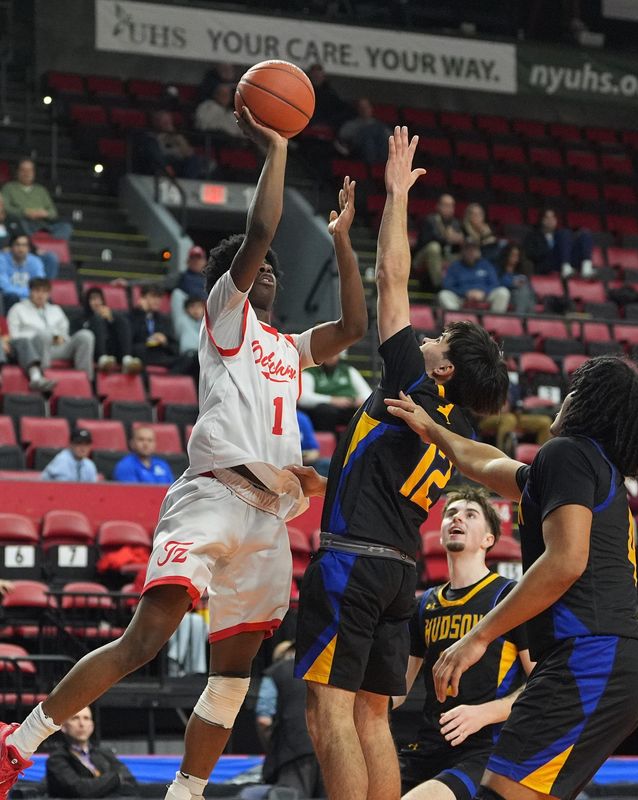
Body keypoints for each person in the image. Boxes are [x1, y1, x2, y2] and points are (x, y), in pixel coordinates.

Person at [0, 104, 368, 800]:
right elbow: (258, 231)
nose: (268, 278)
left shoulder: (288, 350)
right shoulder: (225, 321)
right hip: (212, 497)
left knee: (231, 678)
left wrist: (344, 239)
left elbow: (352, 325)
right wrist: (277, 148)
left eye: (271, 277)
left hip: (269, 523)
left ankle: (186, 793)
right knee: (146, 640)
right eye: (257, 273)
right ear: (230, 283)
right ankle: (18, 743)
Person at [290, 127, 508, 800]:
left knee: (326, 709)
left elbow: (392, 277)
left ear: (441, 370)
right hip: (397, 572)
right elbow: (390, 477)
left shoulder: (417, 386)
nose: (424, 336)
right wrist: (330, 484)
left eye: (435, 339)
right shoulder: (459, 430)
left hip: (352, 561)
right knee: (371, 711)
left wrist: (394, 196)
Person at [384, 355, 638, 800]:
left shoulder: (569, 454)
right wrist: (435, 431)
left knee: (498, 795)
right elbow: (486, 464)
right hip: (606, 662)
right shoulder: (588, 470)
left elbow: (565, 563)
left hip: (588, 659)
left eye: (575, 388)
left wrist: (477, 638)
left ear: (586, 402)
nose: (565, 396)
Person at [396, 488, 533, 799]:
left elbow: (543, 684)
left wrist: (485, 712)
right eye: (450, 513)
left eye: (470, 514)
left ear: (489, 539)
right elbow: (398, 689)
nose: (456, 517)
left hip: (484, 748)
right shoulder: (425, 603)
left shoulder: (510, 596)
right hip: (429, 743)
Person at [256, 640, 325, 799]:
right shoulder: (322, 671)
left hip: (293, 750)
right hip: (330, 748)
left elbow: (263, 719)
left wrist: (272, 747)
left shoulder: (276, 672)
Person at [7, 278, 95, 379]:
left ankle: (85, 380)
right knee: (45, 335)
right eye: (37, 291)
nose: (40, 295)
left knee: (86, 335)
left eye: (44, 292)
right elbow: (15, 337)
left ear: (49, 294)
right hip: (34, 349)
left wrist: (61, 338)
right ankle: (43, 376)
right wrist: (43, 337)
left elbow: (64, 332)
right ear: (30, 292)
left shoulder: (56, 310)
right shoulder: (18, 309)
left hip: (57, 348)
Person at [45, 706, 137, 798]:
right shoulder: (57, 759)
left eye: (86, 718)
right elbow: (81, 790)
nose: (81, 724)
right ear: (63, 726)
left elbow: (130, 781)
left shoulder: (104, 753)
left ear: (92, 726)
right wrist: (116, 778)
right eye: (75, 718)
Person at [1, 158, 72, 241]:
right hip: (22, 222)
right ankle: (32, 248)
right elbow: (5, 207)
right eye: (23, 170)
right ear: (17, 172)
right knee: (17, 224)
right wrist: (25, 212)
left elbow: (53, 211)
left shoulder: (41, 190)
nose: (26, 173)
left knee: (65, 227)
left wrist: (45, 213)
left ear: (34, 173)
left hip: (42, 223)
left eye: (30, 170)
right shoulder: (9, 188)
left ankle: (51, 249)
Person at [298, 352, 371, 433]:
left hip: (348, 408)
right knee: (325, 411)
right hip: (325, 412)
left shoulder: (348, 371)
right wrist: (332, 400)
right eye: (328, 353)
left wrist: (360, 401)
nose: (331, 357)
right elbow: (303, 398)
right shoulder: (310, 372)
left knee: (362, 412)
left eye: (335, 353)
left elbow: (368, 394)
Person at [477, 384, 553, 456]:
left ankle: (542, 459)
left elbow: (521, 402)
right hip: (489, 416)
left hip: (514, 415)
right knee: (510, 419)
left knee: (545, 421)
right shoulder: (486, 380)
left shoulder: (511, 385)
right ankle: (503, 456)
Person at [438, 240, 510, 313]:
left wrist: (484, 292)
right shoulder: (455, 266)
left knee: (503, 292)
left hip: (484, 296)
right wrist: (465, 292)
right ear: (463, 251)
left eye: (474, 249)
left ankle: (494, 322)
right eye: (468, 249)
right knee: (443, 294)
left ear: (478, 252)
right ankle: (459, 321)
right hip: (462, 297)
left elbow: (495, 283)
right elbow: (447, 285)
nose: (471, 252)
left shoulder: (486, 265)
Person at [77, 287, 138, 373]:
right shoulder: (80, 317)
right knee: (98, 319)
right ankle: (102, 358)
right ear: (87, 301)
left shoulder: (109, 315)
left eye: (99, 299)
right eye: (93, 299)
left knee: (122, 320)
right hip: (93, 350)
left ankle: (127, 359)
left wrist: (111, 319)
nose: (97, 302)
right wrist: (95, 319)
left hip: (111, 350)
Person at [523, 207, 593, 279]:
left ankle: (586, 267)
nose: (551, 220)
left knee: (585, 234)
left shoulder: (560, 235)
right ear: (542, 220)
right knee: (564, 233)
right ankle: (565, 267)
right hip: (546, 263)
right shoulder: (533, 235)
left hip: (562, 261)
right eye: (547, 218)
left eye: (553, 218)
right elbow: (530, 253)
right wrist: (548, 252)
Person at [413, 194, 465, 290]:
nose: (449, 208)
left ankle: (461, 286)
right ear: (438, 206)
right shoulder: (430, 220)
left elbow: (457, 246)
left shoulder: (456, 223)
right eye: (445, 205)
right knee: (434, 247)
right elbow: (426, 241)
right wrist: (447, 239)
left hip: (445, 257)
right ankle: (439, 286)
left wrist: (460, 240)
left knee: (467, 252)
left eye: (451, 206)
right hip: (422, 258)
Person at [138, 111, 205, 179]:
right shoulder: (151, 137)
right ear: (156, 123)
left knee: (194, 160)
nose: (168, 125)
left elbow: (188, 152)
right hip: (162, 164)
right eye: (165, 122)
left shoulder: (174, 135)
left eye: (169, 122)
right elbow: (160, 153)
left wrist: (175, 135)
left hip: (177, 162)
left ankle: (189, 183)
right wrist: (177, 152)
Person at [128, 285, 179, 369]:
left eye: (159, 297)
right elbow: (131, 340)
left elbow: (175, 347)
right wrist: (142, 312)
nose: (157, 301)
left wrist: (165, 341)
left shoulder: (164, 319)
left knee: (191, 359)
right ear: (142, 298)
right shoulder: (132, 316)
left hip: (161, 354)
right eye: (153, 297)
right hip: (142, 353)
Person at [336, 97, 391, 164]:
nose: (364, 110)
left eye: (366, 107)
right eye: (361, 108)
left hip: (381, 154)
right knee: (367, 134)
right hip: (359, 153)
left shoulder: (380, 126)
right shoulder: (351, 125)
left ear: (371, 108)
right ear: (358, 109)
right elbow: (342, 136)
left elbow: (391, 137)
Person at [0, 233, 47, 311]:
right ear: (11, 247)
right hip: (9, 298)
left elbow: (39, 284)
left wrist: (32, 294)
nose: (21, 248)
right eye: (17, 245)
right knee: (12, 296)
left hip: (31, 296)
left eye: (24, 245)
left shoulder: (35, 261)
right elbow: (5, 287)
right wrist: (29, 294)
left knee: (47, 298)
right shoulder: (2, 260)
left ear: (29, 248)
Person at [307, 63, 353, 130]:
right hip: (306, 126)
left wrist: (327, 124)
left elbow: (341, 110)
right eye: (314, 75)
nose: (316, 76)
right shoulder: (305, 92)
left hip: (326, 128)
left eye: (318, 74)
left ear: (323, 76)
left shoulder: (330, 93)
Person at [496, 243, 535, 315]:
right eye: (513, 255)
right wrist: (512, 283)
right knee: (524, 293)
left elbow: (529, 287)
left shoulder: (520, 270)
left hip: (519, 295)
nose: (515, 258)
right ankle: (526, 320)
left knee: (526, 291)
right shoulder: (498, 268)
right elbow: (496, 282)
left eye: (517, 255)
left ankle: (523, 320)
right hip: (506, 295)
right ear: (507, 255)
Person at [297, 409, 330, 477]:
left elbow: (314, 452)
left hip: (303, 460)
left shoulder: (301, 418)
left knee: (328, 464)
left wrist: (305, 457)